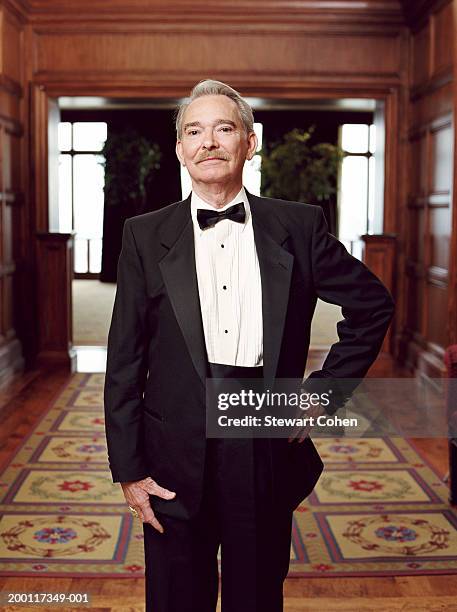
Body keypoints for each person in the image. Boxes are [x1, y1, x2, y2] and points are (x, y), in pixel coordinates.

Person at [104, 79, 395, 612]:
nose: (207, 142)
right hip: (171, 453)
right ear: (179, 149)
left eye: (223, 128)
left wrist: (320, 396)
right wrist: (128, 467)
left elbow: (372, 306)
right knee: (174, 600)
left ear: (249, 142)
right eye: (194, 131)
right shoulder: (143, 235)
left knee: (256, 597)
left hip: (262, 441)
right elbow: (124, 357)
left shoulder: (298, 226)